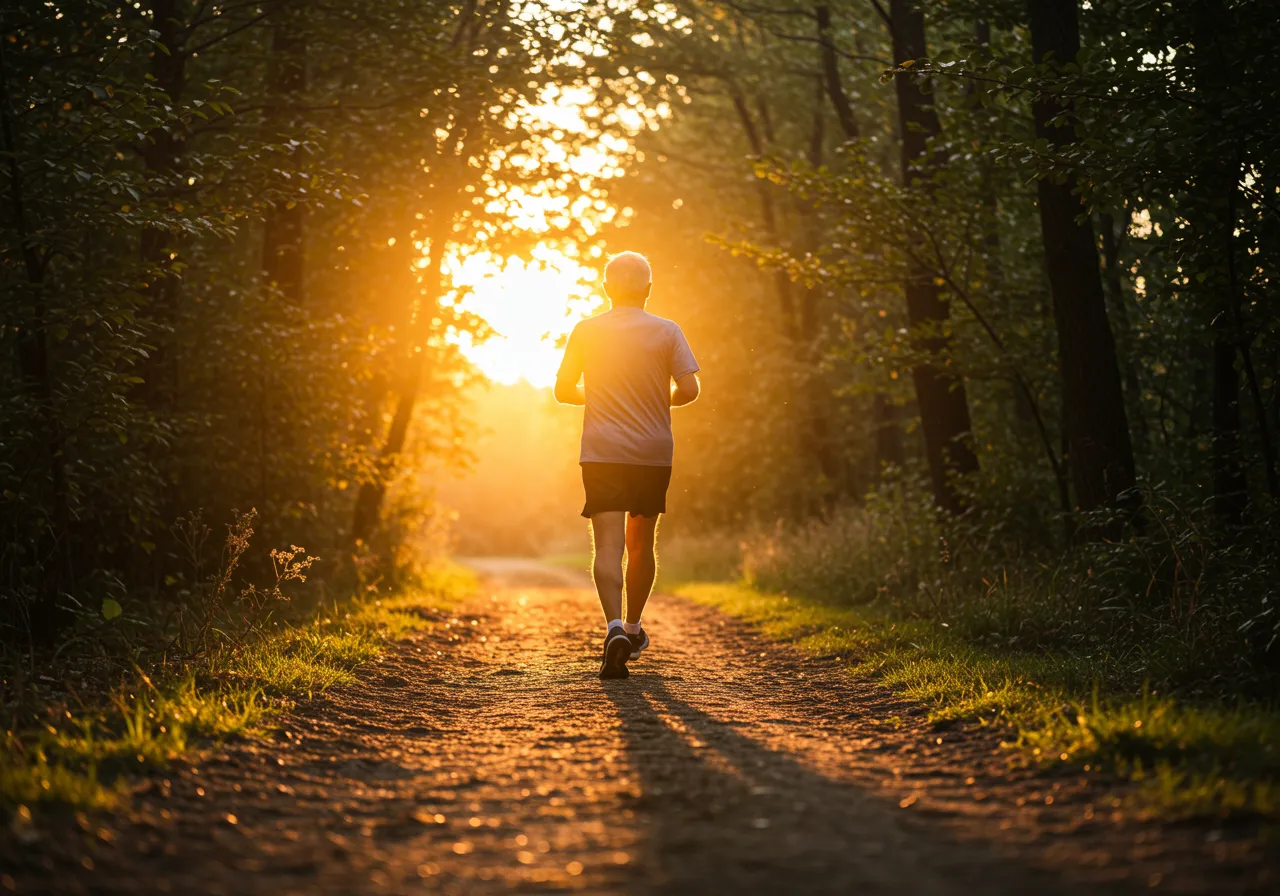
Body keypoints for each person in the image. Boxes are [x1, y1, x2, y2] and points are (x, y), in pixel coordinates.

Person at [554, 251, 700, 679]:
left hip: (602, 450)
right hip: (652, 453)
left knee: (608, 546)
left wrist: (598, 398)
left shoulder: (586, 330)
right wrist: (658, 400)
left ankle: (614, 627)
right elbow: (690, 389)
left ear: (606, 289)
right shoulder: (668, 330)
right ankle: (634, 629)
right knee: (641, 543)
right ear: (648, 289)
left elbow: (562, 390)